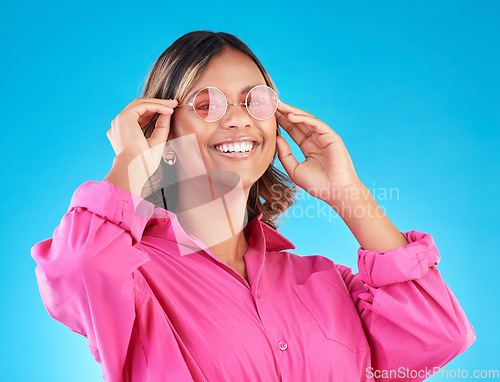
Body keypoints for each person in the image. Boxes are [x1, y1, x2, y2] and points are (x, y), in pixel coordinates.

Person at [31, 31, 476, 382]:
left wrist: (348, 193)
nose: (239, 118)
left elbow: (437, 334)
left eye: (255, 100)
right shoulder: (133, 278)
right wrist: (130, 163)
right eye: (207, 104)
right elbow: (77, 269)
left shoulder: (325, 283)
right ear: (160, 131)